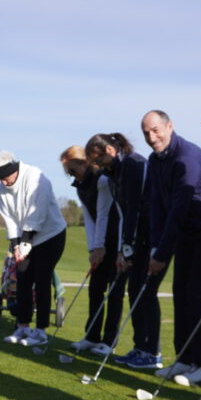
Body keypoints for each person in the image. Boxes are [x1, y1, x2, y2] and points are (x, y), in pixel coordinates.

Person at [141, 110, 201, 384]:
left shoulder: (187, 156)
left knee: (198, 298)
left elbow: (179, 208)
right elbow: (156, 205)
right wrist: (155, 247)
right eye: (146, 133)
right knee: (181, 295)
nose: (152, 137)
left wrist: (162, 253)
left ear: (169, 126)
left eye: (156, 130)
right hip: (184, 237)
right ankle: (185, 359)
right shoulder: (155, 160)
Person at [84, 133, 152, 366]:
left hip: (149, 235)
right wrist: (123, 248)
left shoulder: (133, 163)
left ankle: (149, 350)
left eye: (98, 159)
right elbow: (123, 213)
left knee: (141, 292)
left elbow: (134, 208)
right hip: (134, 239)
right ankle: (140, 348)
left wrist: (127, 246)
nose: (98, 165)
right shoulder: (114, 172)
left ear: (110, 150)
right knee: (133, 291)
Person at [0, 150, 67, 347]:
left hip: (51, 235)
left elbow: (37, 214)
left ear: (14, 170)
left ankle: (40, 331)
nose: (4, 183)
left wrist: (25, 243)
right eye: (0, 180)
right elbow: (9, 218)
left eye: (6, 178)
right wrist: (15, 245)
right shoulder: (2, 188)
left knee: (42, 279)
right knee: (23, 278)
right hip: (27, 237)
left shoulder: (35, 177)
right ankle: (22, 327)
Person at [60, 146, 125, 356]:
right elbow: (90, 219)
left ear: (84, 163)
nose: (72, 175)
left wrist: (101, 246)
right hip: (101, 241)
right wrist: (93, 249)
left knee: (114, 292)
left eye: (73, 170)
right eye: (68, 172)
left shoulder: (102, 180)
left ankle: (109, 341)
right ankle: (92, 336)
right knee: (95, 288)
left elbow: (105, 214)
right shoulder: (80, 186)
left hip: (117, 240)